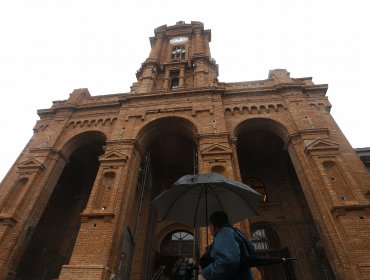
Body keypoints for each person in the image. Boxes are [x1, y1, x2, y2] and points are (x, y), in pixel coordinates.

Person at [200, 211, 254, 280]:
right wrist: (212, 251)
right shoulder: (234, 232)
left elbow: (228, 261)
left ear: (214, 225)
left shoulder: (224, 233)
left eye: (209, 225)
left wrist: (207, 272)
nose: (209, 229)